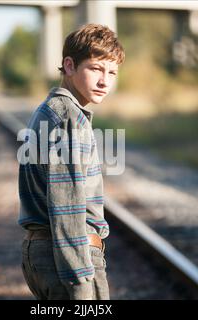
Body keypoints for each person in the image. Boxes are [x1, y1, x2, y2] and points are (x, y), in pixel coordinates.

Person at [18, 23, 125, 300]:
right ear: (69, 66)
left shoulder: (48, 109)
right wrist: (80, 282)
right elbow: (67, 207)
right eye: (95, 69)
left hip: (42, 252)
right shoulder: (69, 119)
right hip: (67, 258)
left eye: (111, 72)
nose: (105, 81)